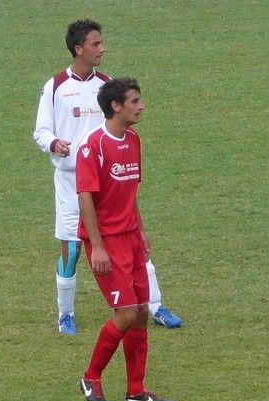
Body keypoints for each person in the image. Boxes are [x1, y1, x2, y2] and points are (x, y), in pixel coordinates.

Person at [33, 19, 182, 334]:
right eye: (96, 44)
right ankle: (65, 315)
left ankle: (155, 305)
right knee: (72, 250)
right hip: (71, 181)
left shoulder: (108, 84)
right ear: (79, 49)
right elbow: (41, 130)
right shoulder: (55, 86)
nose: (103, 48)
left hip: (109, 179)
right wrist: (53, 143)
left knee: (133, 239)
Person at [76, 78, 175, 401]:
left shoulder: (133, 139)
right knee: (126, 313)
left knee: (142, 313)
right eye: (134, 101)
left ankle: (136, 390)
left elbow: (129, 192)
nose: (141, 106)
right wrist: (99, 247)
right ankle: (91, 376)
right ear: (116, 106)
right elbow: (86, 199)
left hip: (131, 237)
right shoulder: (92, 147)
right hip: (107, 242)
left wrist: (142, 230)